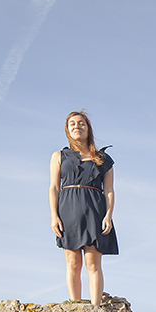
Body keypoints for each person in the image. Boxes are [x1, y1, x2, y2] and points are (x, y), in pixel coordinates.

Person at [49, 110, 117, 302]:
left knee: (92, 264)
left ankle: (96, 309)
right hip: (68, 211)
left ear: (88, 129)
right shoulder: (58, 156)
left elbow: (109, 190)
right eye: (72, 124)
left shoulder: (103, 159)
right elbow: (54, 187)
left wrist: (108, 216)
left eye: (81, 123)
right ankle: (76, 306)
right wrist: (54, 216)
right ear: (67, 130)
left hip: (95, 211)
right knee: (72, 263)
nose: (77, 127)